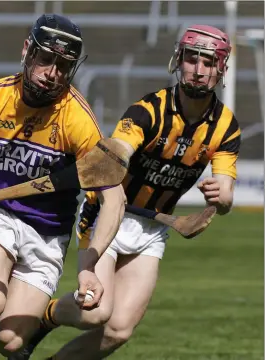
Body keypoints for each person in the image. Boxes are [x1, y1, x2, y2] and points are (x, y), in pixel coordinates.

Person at [15, 24, 241, 360]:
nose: (198, 69)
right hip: (109, 216)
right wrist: (113, 156)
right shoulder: (148, 111)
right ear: (178, 60)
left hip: (152, 229)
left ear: (221, 69)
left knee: (119, 329)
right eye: (192, 58)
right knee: (95, 312)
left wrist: (222, 199)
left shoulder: (226, 127)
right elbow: (118, 149)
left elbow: (224, 192)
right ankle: (45, 317)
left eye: (209, 62)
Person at [0, 14, 127, 360]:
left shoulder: (77, 119)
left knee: (11, 340)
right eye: (46, 59)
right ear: (27, 52)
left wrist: (89, 266)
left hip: (48, 235)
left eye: (63, 66)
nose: (52, 73)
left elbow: (114, 198)